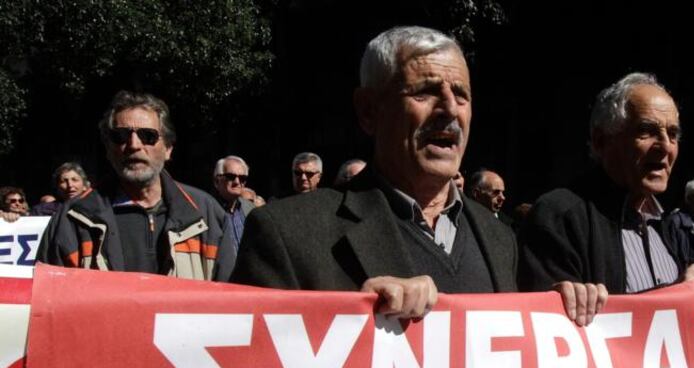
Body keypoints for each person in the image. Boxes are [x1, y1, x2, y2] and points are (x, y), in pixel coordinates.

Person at [232, 26, 528, 320]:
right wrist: (352, 319)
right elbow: (247, 347)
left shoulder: (501, 240)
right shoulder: (287, 234)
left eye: (462, 95)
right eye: (425, 92)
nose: (450, 109)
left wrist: (554, 313)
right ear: (368, 111)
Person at [518, 72, 694, 312]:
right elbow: (545, 323)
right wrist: (563, 301)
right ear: (601, 141)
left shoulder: (665, 224)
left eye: (673, 134)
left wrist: (686, 292)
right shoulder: (559, 216)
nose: (665, 146)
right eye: (646, 130)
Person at [37, 91, 234, 280]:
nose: (134, 145)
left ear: (168, 149)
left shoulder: (206, 214)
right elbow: (48, 297)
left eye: (148, 136)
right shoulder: (72, 219)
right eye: (120, 136)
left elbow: (229, 296)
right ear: (108, 149)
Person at [213, 155, 258, 252]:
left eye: (242, 178)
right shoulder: (208, 209)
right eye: (231, 177)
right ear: (217, 181)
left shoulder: (251, 208)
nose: (237, 182)